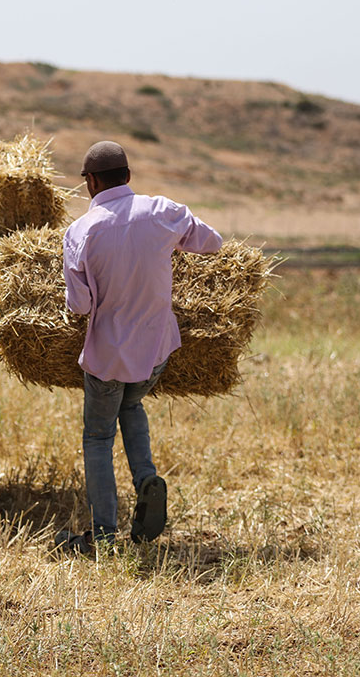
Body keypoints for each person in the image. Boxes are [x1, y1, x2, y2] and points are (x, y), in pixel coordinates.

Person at [58, 140, 221, 553]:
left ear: (90, 183)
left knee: (98, 437)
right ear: (128, 177)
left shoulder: (80, 232)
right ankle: (146, 479)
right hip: (157, 352)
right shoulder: (163, 211)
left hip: (109, 356)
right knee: (131, 405)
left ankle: (104, 534)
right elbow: (212, 242)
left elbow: (79, 306)